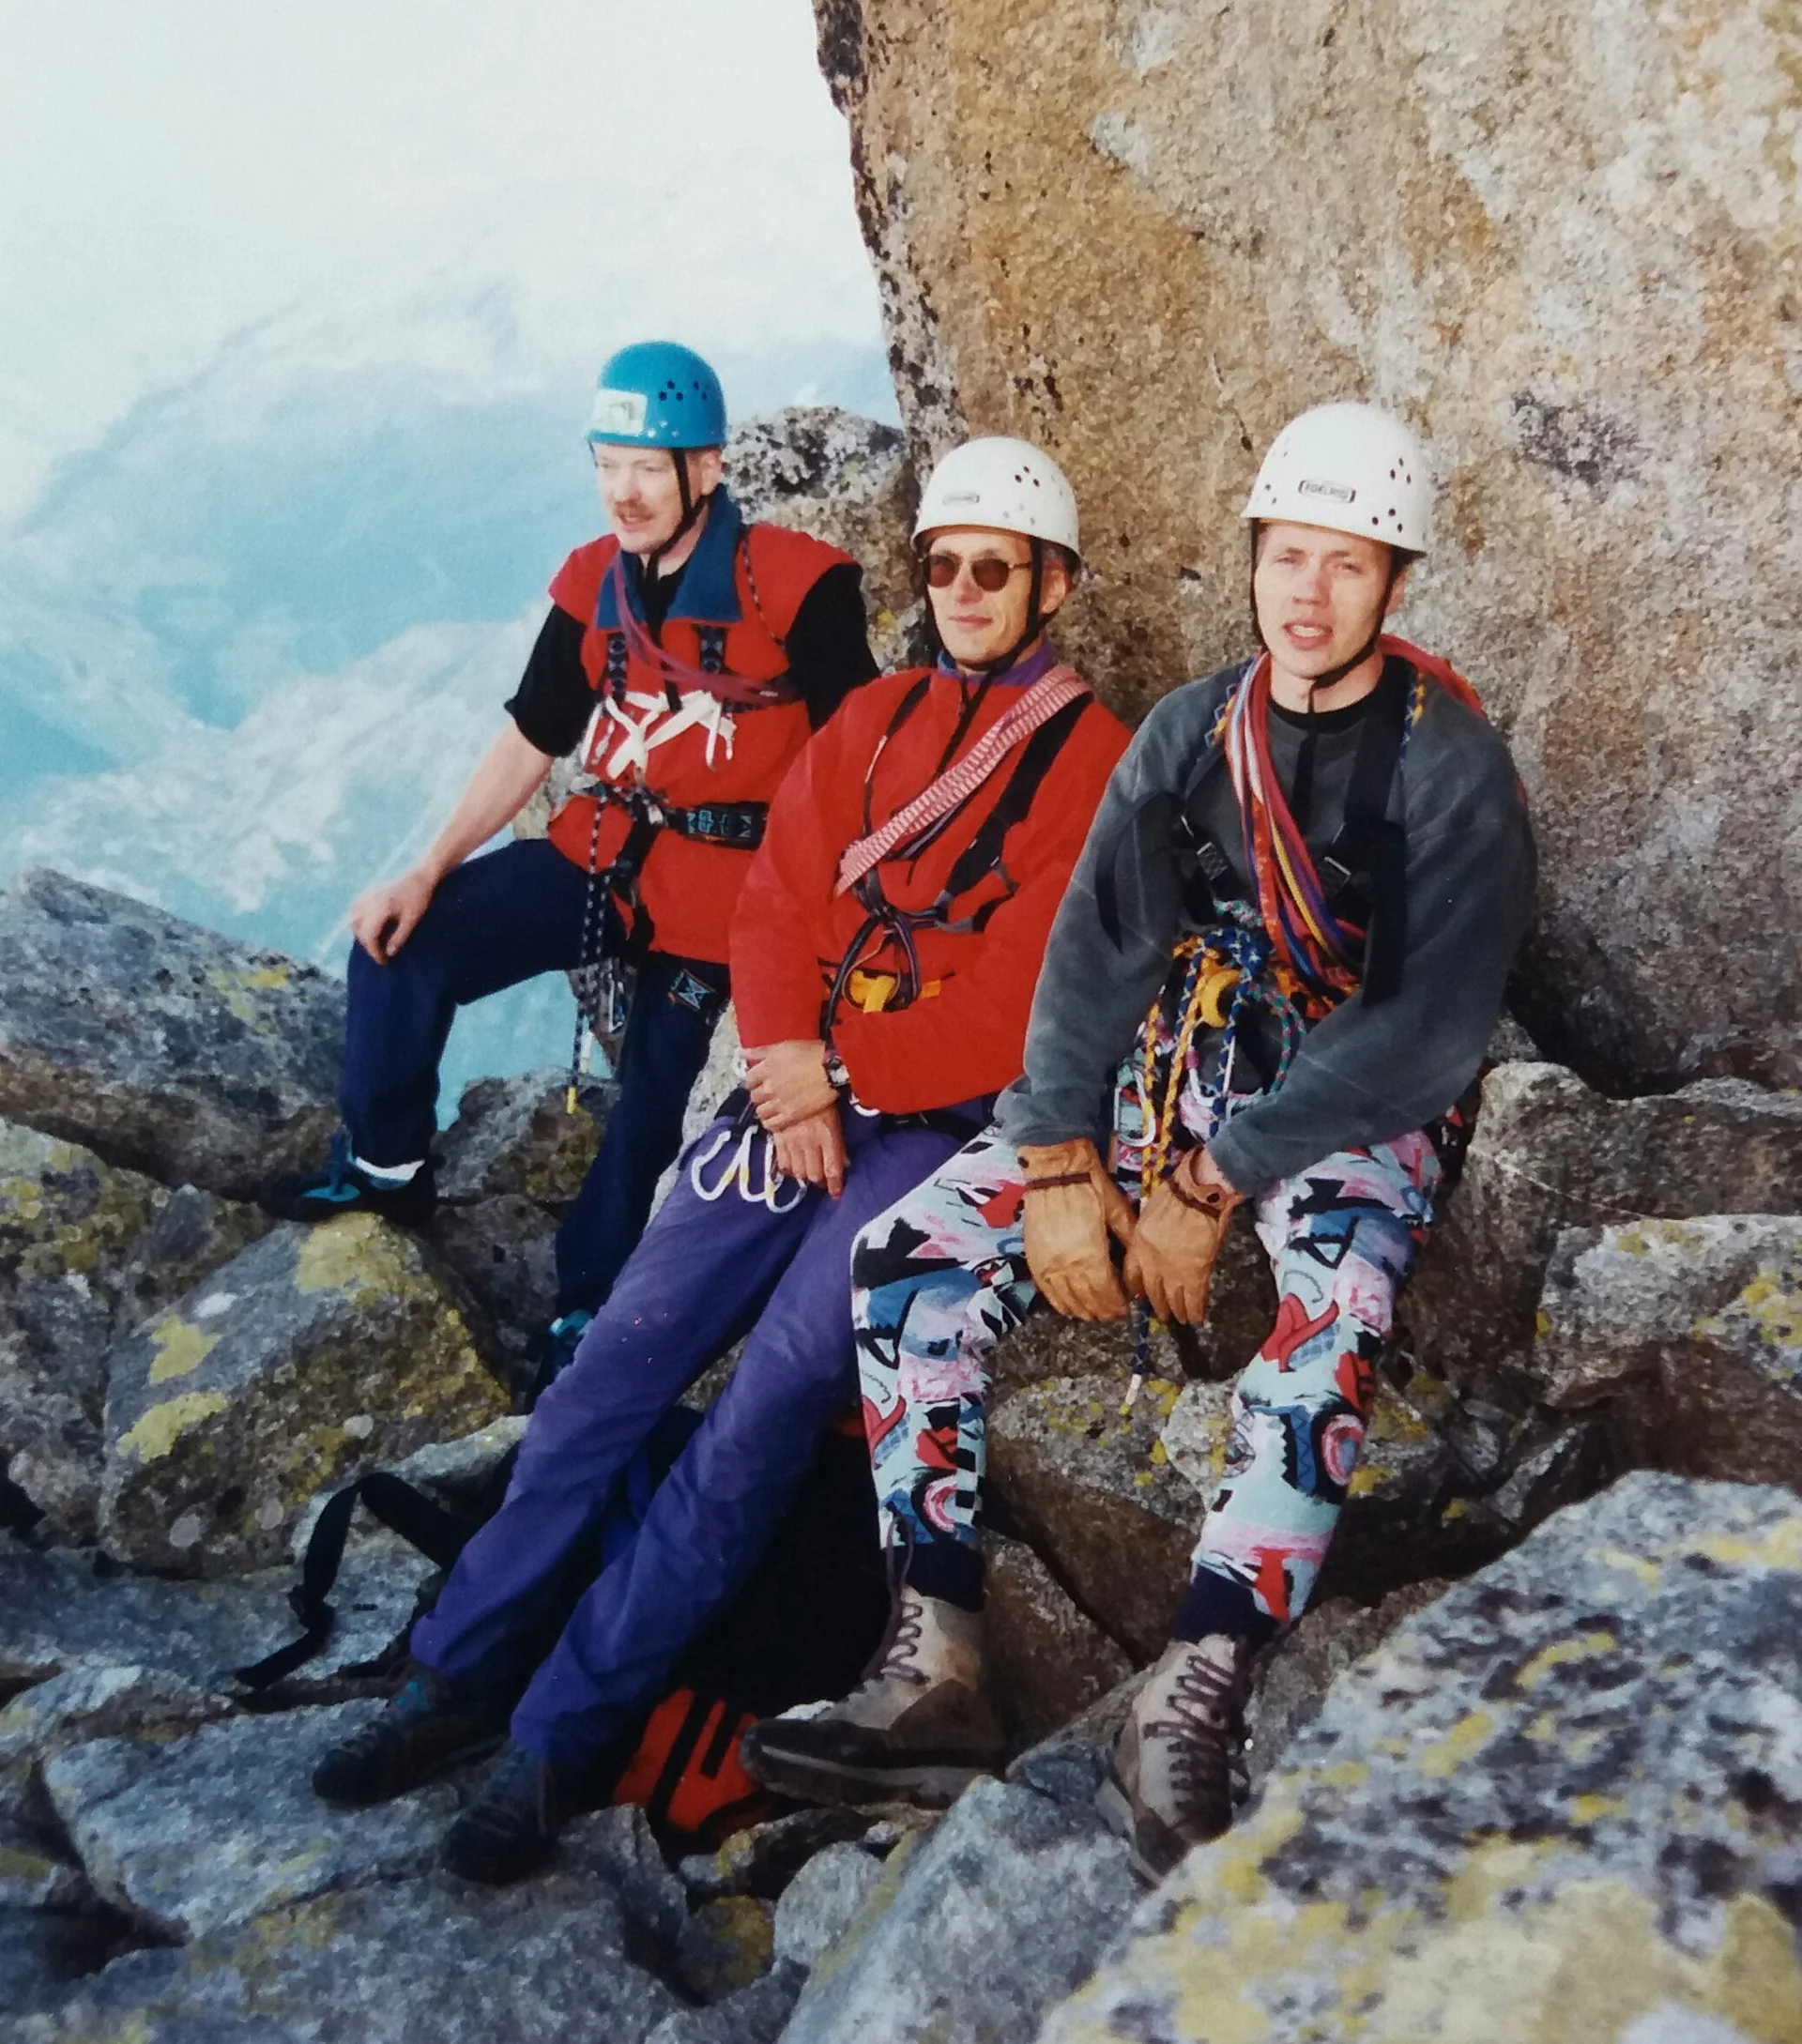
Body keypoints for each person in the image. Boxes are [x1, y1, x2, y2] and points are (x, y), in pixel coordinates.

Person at [307, 435, 1131, 1883]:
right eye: (942, 565)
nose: (962, 589)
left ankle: (562, 1737)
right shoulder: (869, 716)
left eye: (994, 567)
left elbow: (1023, 997)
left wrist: (839, 1070)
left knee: (757, 1420)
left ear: (1050, 585)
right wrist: (785, 1061)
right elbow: (777, 904)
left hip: (922, 1129)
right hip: (795, 1097)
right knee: (610, 1368)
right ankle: (448, 1670)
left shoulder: (1094, 760)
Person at [742, 403, 1535, 1882]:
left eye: (1347, 565)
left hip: (1351, 1090)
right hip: (1182, 1053)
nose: (1308, 593)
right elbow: (1099, 954)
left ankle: (1196, 1689)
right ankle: (938, 1657)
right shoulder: (1193, 735)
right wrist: (1053, 1161)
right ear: (1251, 562)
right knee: (906, 1254)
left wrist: (1206, 1185)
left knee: (1335, 1301)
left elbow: (1426, 1023)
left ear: (1395, 585)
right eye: (1286, 557)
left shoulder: (1449, 767)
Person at [260, 342, 878, 1376]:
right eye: (607, 464)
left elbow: (859, 757)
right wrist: (428, 869)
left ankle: (592, 1309)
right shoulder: (595, 584)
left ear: (707, 468)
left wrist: (821, 924)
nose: (622, 493)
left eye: (647, 466)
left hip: (732, 892)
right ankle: (386, 1161)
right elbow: (534, 734)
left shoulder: (797, 586)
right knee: (404, 948)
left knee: (651, 1099)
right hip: (603, 850)